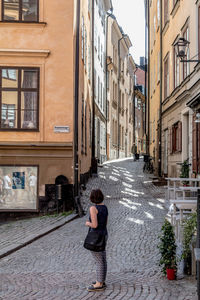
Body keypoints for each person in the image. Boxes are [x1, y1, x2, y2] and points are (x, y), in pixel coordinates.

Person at [85, 189, 108, 292]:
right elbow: (105, 223)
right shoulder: (105, 207)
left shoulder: (93, 208)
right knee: (103, 259)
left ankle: (99, 284)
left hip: (96, 236)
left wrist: (87, 223)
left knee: (98, 261)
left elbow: (94, 225)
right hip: (104, 234)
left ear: (92, 198)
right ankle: (102, 280)